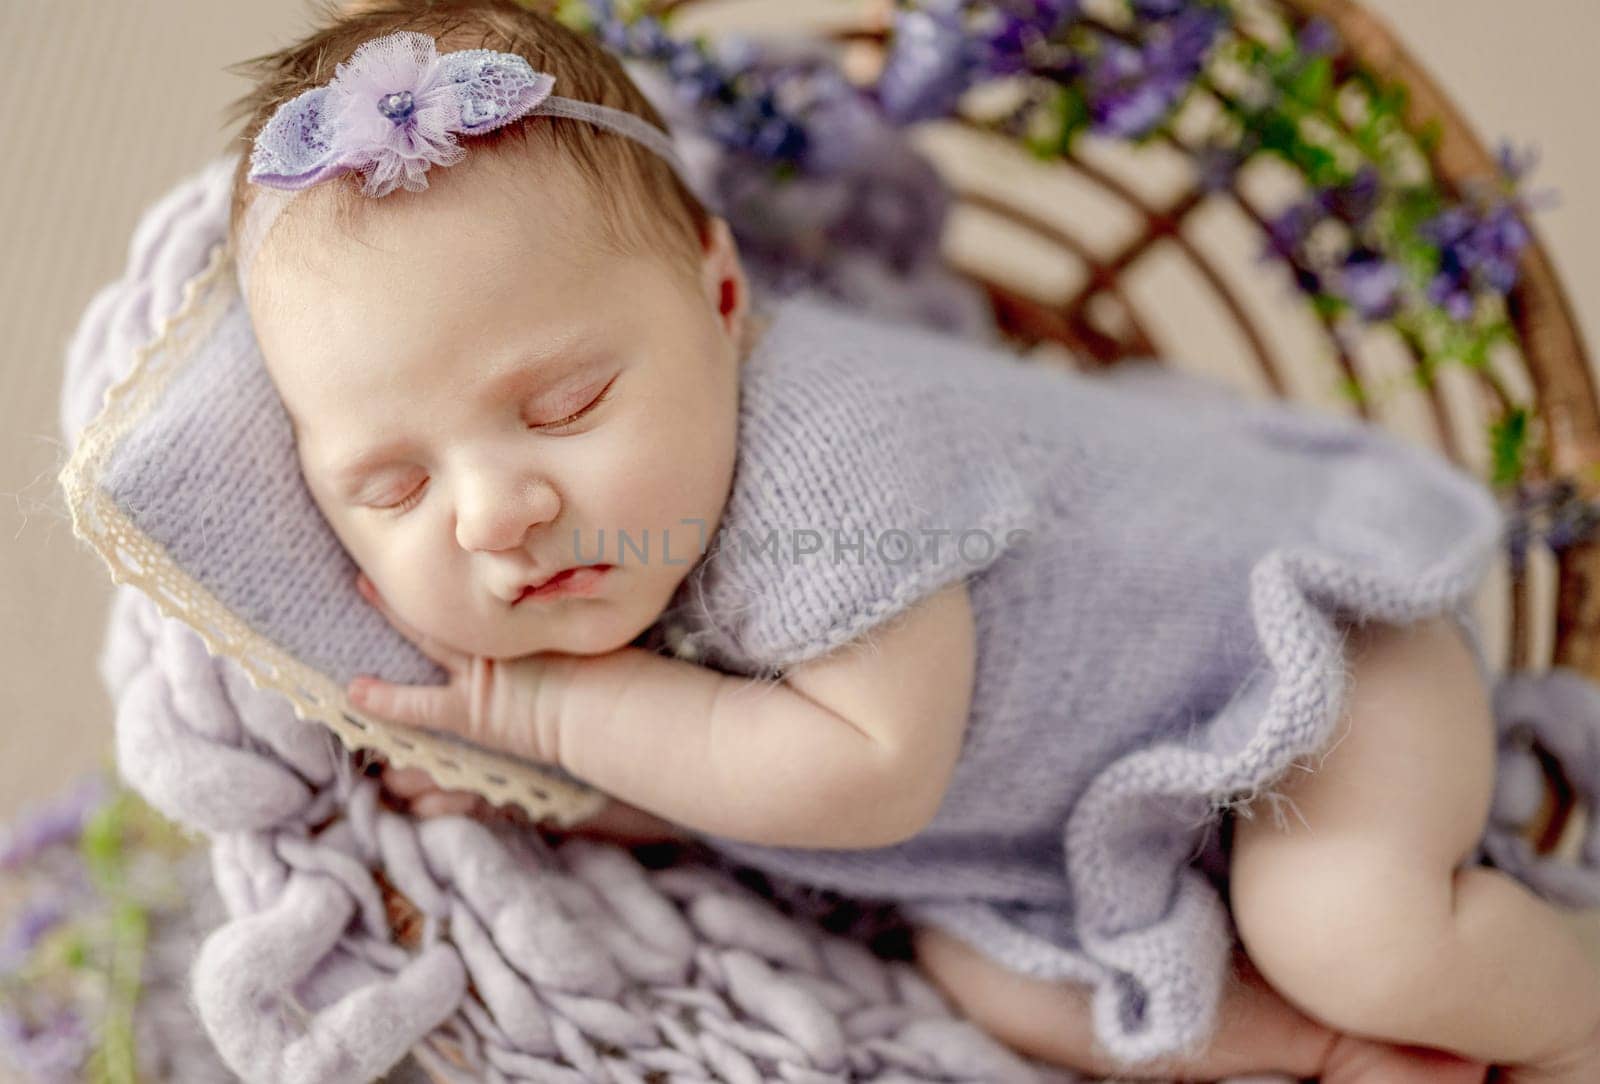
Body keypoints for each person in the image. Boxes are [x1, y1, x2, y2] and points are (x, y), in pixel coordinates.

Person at [230, 1, 1600, 1079]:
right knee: (985, 979)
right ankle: (1334, 1050)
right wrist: (572, 799)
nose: (493, 512)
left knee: (1347, 929)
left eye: (568, 402)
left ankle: (1571, 1023)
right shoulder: (628, 536)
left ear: (720, 293)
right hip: (1116, 818)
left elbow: (864, 779)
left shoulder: (830, 453)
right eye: (392, 489)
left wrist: (534, 708)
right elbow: (731, 784)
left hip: (1312, 679)